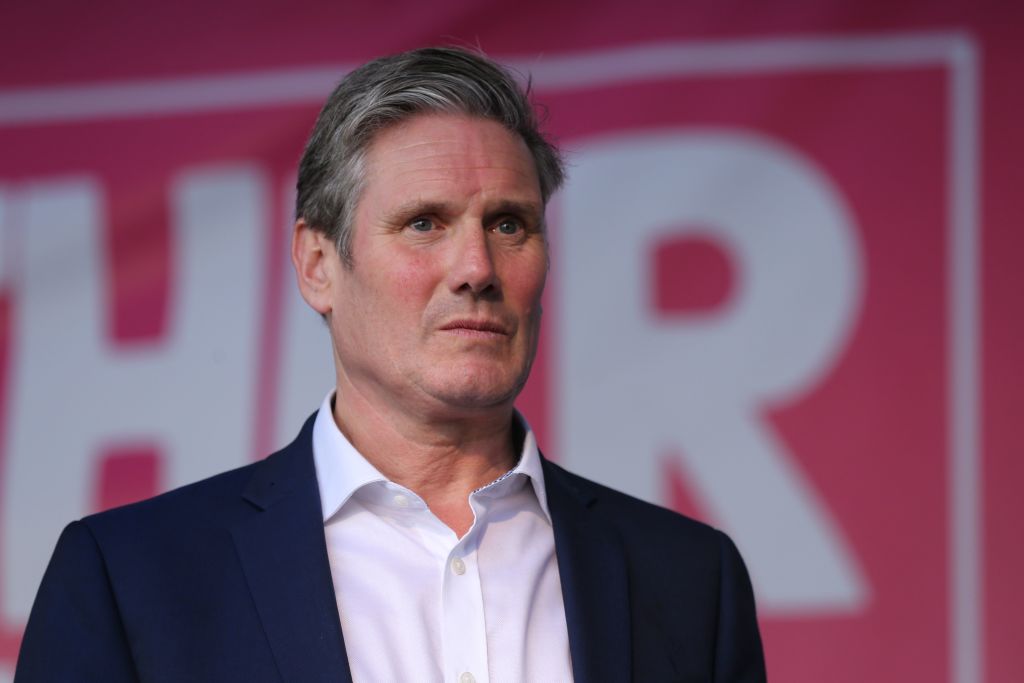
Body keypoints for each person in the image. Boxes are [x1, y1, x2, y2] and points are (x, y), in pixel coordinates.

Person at [15, 47, 766, 682]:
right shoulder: (129, 579)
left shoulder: (691, 580)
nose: (477, 268)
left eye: (509, 224)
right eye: (424, 222)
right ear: (317, 264)